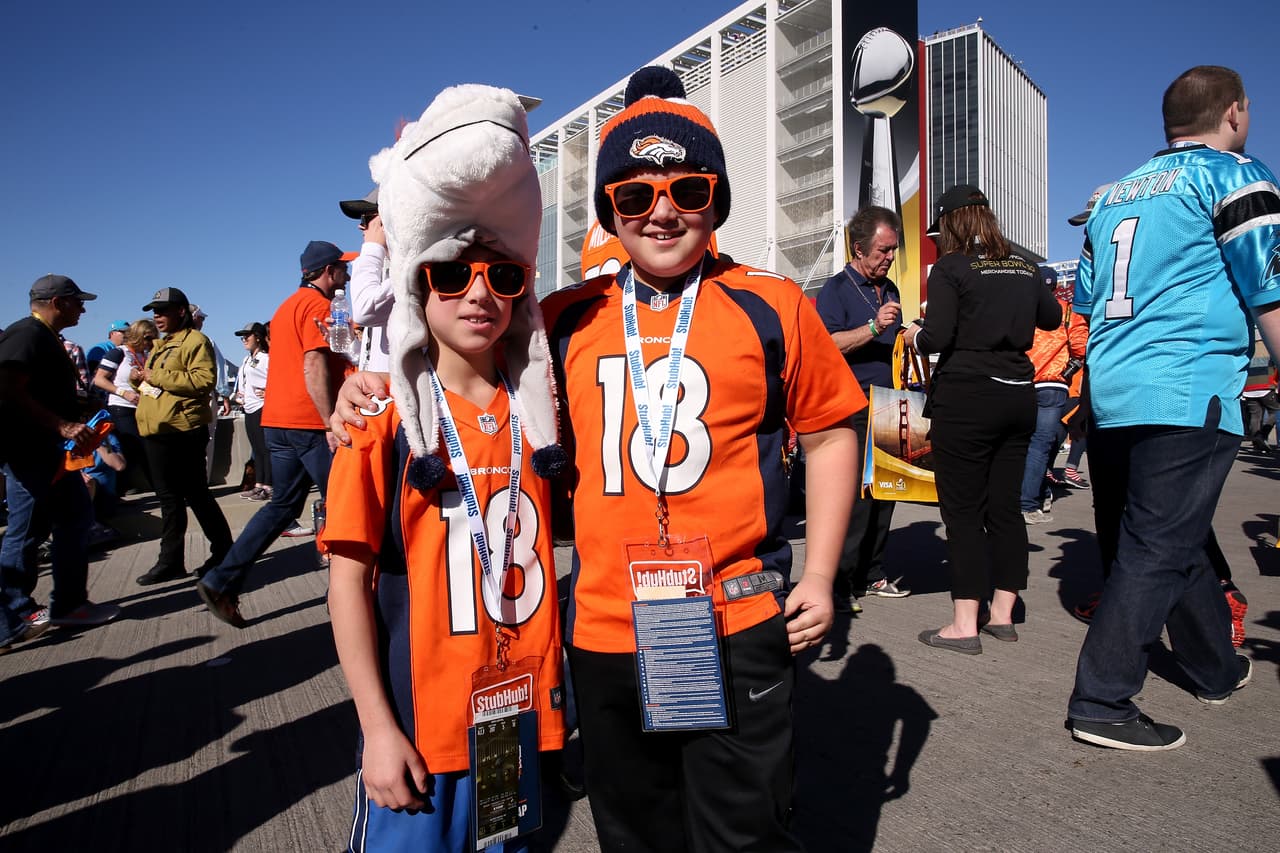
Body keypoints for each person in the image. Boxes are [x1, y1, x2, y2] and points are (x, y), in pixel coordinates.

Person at [539, 67, 859, 852]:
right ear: (607, 212)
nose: (662, 212)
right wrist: (371, 379)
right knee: (634, 830)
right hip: (606, 627)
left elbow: (831, 432)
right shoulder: (560, 320)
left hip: (734, 615)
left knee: (743, 829)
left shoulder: (772, 303)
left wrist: (819, 574)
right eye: (634, 196)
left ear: (715, 200)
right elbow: (458, 363)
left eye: (687, 189)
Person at [323, 83, 566, 851]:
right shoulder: (381, 422)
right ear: (415, 287)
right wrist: (375, 727)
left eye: (503, 275)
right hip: (420, 739)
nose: (479, 293)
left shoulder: (548, 417)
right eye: (451, 275)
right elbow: (347, 585)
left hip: (519, 726)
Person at [1065, 66, 1278, 751]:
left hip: (1114, 385)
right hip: (1186, 385)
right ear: (1235, 113)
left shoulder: (1112, 195)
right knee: (1157, 544)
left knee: (1169, 534)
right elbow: (1269, 290)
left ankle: (1215, 667)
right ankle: (1101, 698)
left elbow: (1088, 299)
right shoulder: (1234, 176)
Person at [903, 184, 1060, 655]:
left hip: (967, 397)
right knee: (1006, 507)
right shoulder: (1023, 265)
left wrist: (914, 334)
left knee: (964, 512)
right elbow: (1051, 319)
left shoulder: (951, 268)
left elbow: (938, 336)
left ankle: (963, 625)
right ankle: (1003, 614)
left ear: (950, 223)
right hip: (1018, 394)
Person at [196, 241, 352, 626]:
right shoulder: (318, 306)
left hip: (276, 423)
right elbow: (314, 366)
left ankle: (221, 579)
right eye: (342, 268)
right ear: (328, 271)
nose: (346, 275)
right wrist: (330, 419)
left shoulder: (285, 308)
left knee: (282, 505)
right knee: (349, 507)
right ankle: (351, 599)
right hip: (308, 424)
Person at [0, 274, 121, 648]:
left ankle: (69, 604)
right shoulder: (26, 334)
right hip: (29, 450)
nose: (83, 308)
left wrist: (81, 409)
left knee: (74, 518)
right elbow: (6, 388)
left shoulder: (46, 338)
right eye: (77, 301)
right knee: (27, 531)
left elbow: (38, 391)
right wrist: (62, 424)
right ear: (57, 302)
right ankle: (11, 619)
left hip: (53, 452)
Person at [816, 205, 910, 611]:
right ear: (859, 248)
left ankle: (872, 575)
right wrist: (873, 328)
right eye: (883, 251)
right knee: (854, 497)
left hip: (894, 401)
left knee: (887, 492)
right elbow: (827, 345)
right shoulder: (836, 288)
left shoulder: (890, 290)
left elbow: (894, 338)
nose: (889, 258)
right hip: (853, 401)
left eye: (893, 251)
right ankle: (839, 583)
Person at [134, 287, 234, 585]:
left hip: (183, 430)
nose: (156, 316)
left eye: (162, 310)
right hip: (156, 430)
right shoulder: (162, 344)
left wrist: (157, 377)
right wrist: (138, 379)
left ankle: (223, 552)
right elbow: (153, 383)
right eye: (154, 311)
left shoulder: (196, 341)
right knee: (168, 499)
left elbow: (203, 381)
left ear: (180, 312)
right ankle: (170, 561)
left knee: (197, 495)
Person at [1019, 266, 1088, 524]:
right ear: (1055, 286)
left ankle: (1034, 492)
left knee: (1021, 443)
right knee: (1040, 445)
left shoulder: (1022, 308)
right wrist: (1070, 368)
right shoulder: (1069, 311)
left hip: (1022, 383)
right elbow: (1081, 348)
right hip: (1054, 386)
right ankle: (1028, 503)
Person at [93, 318, 158, 491]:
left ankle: (159, 489)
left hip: (143, 407)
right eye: (148, 338)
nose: (150, 342)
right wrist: (124, 393)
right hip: (121, 407)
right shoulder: (118, 353)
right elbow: (99, 379)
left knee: (148, 448)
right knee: (134, 448)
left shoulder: (144, 355)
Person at [339, 188, 394, 372]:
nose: (361, 226)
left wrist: (372, 247)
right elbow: (370, 357)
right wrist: (348, 342)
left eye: (366, 218)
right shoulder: (387, 268)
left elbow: (364, 311)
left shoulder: (413, 269)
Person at [232, 322, 272, 501]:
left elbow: (277, 378)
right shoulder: (247, 359)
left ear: (257, 336)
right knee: (256, 448)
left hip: (261, 407)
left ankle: (269, 485)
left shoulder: (266, 358)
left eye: (246, 336)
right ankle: (258, 484)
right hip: (249, 407)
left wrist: (269, 391)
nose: (244, 340)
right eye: (242, 337)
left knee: (265, 449)